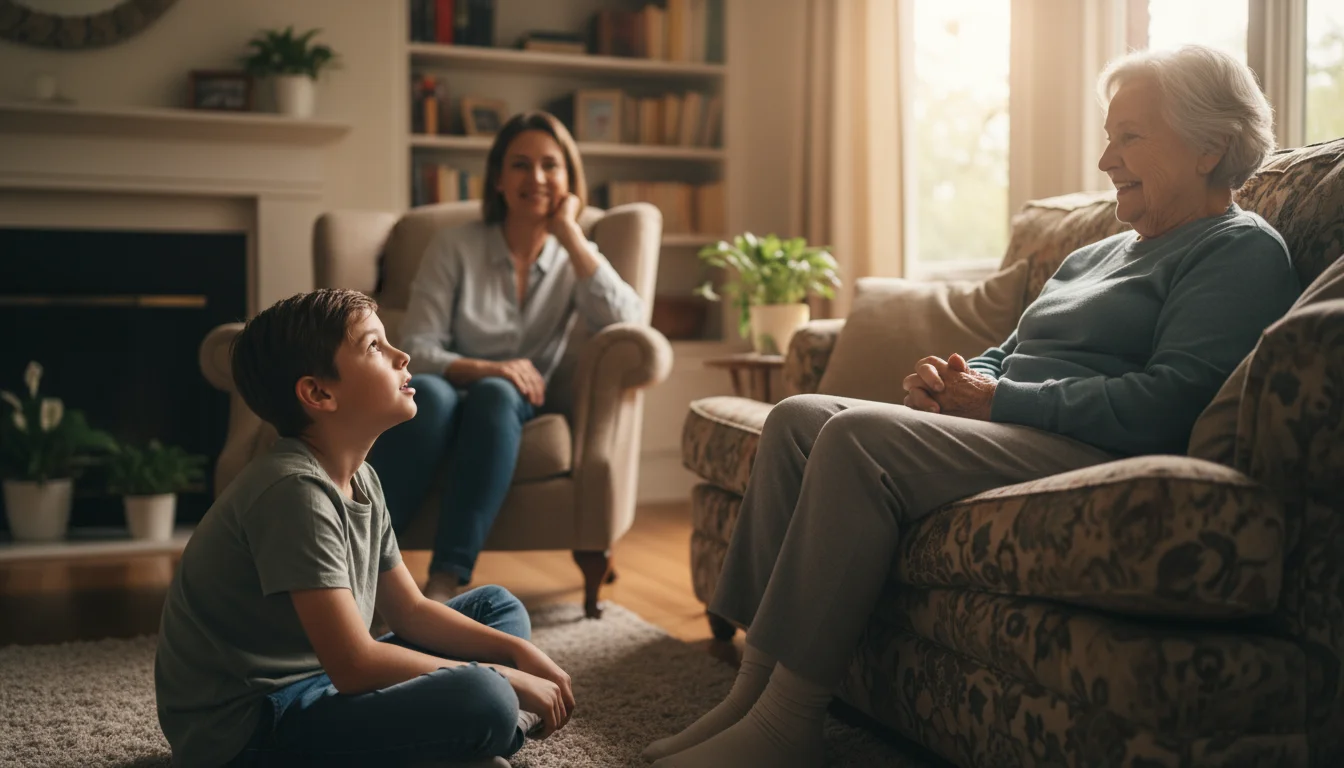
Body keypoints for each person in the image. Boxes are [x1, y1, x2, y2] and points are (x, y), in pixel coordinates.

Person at [641, 44, 1300, 768]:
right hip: (1016, 426)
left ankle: (788, 724)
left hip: (1099, 450)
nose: (1107, 158)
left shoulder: (1237, 250)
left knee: (858, 439)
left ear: (1210, 145)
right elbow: (1009, 349)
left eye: (1129, 136)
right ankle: (750, 695)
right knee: (799, 419)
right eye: (1108, 136)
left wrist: (998, 397)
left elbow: (1171, 402)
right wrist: (955, 377)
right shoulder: (1095, 255)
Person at [154, 289, 575, 767]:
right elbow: (355, 664)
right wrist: (503, 677)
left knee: (496, 609)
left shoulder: (362, 478)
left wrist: (514, 652)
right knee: (488, 695)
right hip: (249, 727)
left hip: (320, 682)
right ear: (318, 393)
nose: (402, 355)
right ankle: (472, 738)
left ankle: (460, 744)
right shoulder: (294, 491)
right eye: (374, 346)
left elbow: (410, 611)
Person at [368, 111, 644, 602]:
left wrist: (571, 234)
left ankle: (445, 581)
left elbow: (629, 325)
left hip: (510, 401)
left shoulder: (573, 256)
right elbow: (418, 348)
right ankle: (363, 564)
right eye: (520, 165)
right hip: (444, 386)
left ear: (568, 180)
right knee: (430, 394)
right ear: (498, 178)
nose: (535, 178)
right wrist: (488, 366)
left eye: (549, 166)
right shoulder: (453, 245)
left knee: (497, 395)